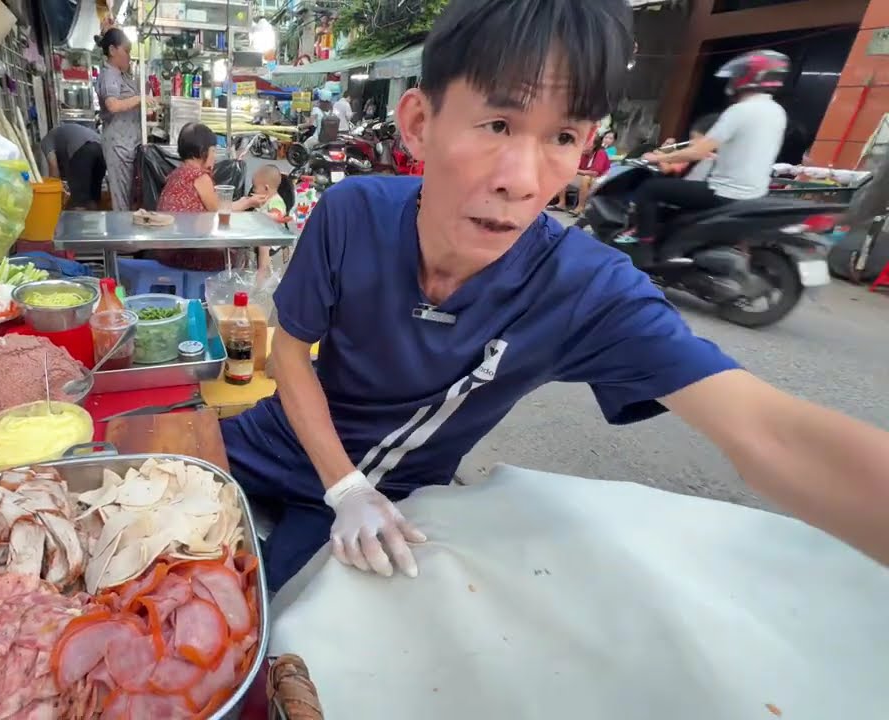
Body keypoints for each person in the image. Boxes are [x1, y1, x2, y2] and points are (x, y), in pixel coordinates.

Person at [221, 0, 889, 594]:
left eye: (562, 137)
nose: (519, 179)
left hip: (385, 504)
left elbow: (770, 433)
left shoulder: (585, 288)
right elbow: (291, 351)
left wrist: (355, 496)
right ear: (420, 123)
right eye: (497, 124)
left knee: (264, 634)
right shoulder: (352, 211)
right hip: (275, 441)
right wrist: (341, 483)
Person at [623, 50, 790, 257]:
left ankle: (645, 250)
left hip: (724, 192)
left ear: (749, 77)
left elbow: (698, 151)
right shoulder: (777, 112)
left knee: (650, 188)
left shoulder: (741, 110)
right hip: (755, 193)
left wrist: (657, 157)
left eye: (738, 74)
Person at [149, 123, 266, 271]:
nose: (214, 156)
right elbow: (219, 210)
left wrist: (244, 201)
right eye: (213, 151)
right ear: (202, 151)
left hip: (166, 250)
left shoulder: (177, 173)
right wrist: (248, 203)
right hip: (185, 253)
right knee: (237, 255)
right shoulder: (199, 177)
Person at [96, 28, 141, 211]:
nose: (129, 56)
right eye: (126, 51)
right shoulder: (109, 75)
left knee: (128, 198)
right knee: (121, 201)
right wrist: (140, 99)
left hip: (127, 143)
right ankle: (121, 230)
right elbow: (113, 105)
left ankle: (125, 228)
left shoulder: (121, 75)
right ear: (112, 50)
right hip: (118, 144)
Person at [40, 123, 106, 209]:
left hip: (83, 151)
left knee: (79, 203)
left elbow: (54, 170)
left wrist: (53, 196)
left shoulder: (45, 142)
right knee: (92, 198)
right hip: (102, 150)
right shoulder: (61, 137)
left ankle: (79, 216)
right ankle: (94, 216)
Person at [554, 131, 611, 215]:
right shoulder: (583, 153)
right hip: (585, 175)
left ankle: (580, 207)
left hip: (600, 179)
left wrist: (575, 170)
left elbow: (594, 173)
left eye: (587, 144)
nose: (583, 146)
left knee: (586, 178)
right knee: (562, 174)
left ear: (594, 146)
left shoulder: (600, 153)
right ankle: (562, 203)